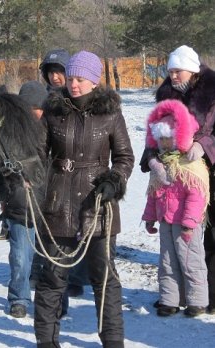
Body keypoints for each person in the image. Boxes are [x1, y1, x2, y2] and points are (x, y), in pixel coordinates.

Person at [34, 51, 134, 348]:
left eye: (80, 79)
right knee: (52, 278)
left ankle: (113, 342)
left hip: (99, 207)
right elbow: (38, 154)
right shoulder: (53, 110)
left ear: (94, 81)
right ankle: (46, 342)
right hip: (58, 204)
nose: (73, 84)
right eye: (71, 78)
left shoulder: (111, 113)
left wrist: (112, 182)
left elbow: (125, 158)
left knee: (105, 281)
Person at [140, 45, 215, 314]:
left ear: (193, 71)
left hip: (205, 169)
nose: (172, 76)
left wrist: (204, 145)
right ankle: (176, 297)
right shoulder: (166, 94)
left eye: (177, 71)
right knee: (173, 248)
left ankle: (206, 297)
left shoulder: (212, 92)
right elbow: (156, 131)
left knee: (204, 240)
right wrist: (151, 158)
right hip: (173, 171)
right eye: (170, 71)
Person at [33, 48, 90, 303]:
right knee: (48, 222)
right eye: (51, 72)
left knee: (77, 225)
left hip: (77, 170)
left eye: (61, 72)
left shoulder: (78, 99)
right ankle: (42, 269)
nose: (56, 77)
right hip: (48, 168)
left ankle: (77, 277)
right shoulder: (43, 98)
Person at [0, 81, 48, 318]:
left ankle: (52, 297)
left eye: (36, 108)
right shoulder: (10, 135)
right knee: (20, 255)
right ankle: (19, 297)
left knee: (46, 256)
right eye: (28, 108)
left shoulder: (54, 132)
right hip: (21, 203)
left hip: (49, 204)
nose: (32, 113)